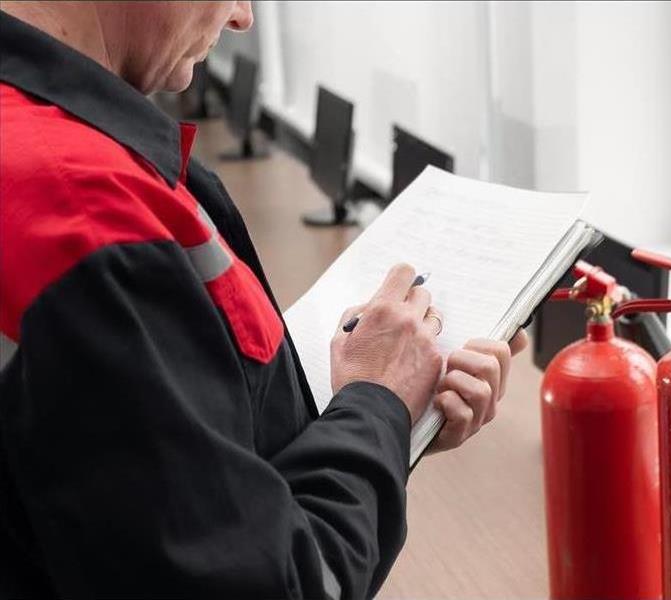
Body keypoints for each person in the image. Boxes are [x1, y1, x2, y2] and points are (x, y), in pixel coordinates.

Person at [0, 2, 527, 598]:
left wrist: (390, 421)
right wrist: (376, 403)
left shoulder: (44, 156)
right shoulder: (87, 213)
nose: (243, 18)